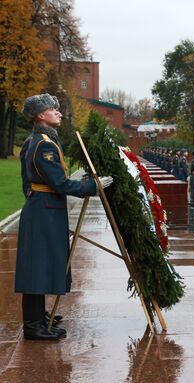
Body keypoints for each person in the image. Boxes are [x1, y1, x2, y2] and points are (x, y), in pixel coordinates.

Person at [16, 93, 113, 340]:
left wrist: (33, 192)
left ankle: (38, 317)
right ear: (41, 115)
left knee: (41, 264)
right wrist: (93, 187)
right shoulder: (44, 144)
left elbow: (29, 179)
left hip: (43, 208)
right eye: (53, 109)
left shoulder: (38, 140)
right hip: (45, 211)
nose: (58, 112)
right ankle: (32, 325)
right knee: (37, 267)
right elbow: (59, 184)